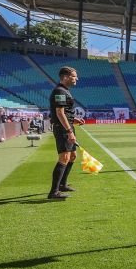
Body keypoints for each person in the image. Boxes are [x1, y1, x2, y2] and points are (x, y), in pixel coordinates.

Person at [49, 67, 83, 200]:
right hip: (63, 129)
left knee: (73, 156)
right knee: (64, 158)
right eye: (74, 76)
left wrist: (74, 119)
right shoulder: (60, 91)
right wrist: (69, 131)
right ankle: (53, 192)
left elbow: (65, 112)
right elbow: (59, 113)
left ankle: (62, 184)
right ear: (65, 77)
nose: (77, 79)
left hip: (67, 126)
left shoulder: (64, 91)